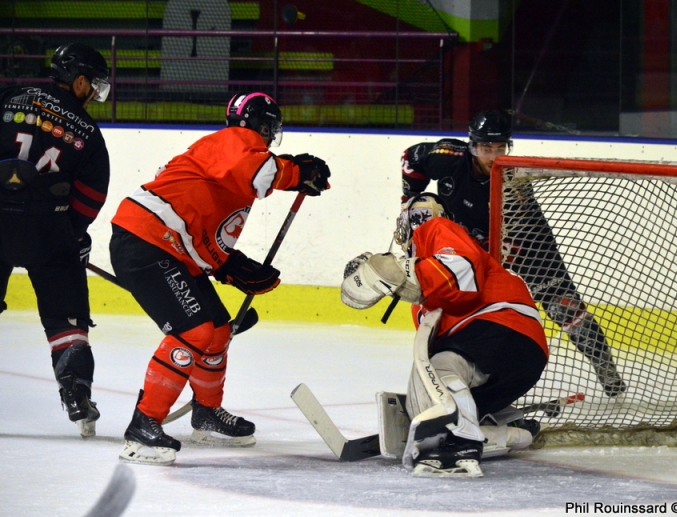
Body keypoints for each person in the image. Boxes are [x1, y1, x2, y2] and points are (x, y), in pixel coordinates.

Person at [110, 92, 330, 466]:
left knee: (216, 330)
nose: (270, 137)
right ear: (261, 126)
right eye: (270, 129)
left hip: (168, 246)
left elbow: (199, 225)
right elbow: (261, 172)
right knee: (194, 332)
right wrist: (298, 173)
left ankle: (207, 413)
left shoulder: (226, 162)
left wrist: (230, 267)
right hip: (147, 243)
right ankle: (143, 427)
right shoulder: (235, 141)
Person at [400, 110, 626, 397]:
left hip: (528, 243)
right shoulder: (447, 157)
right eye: (486, 148)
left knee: (565, 307)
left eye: (500, 148)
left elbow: (512, 239)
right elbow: (411, 158)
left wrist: (485, 259)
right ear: (472, 146)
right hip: (471, 242)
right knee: (459, 298)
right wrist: (408, 200)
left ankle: (607, 371)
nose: (494, 156)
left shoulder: (514, 185)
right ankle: (463, 371)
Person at [341, 193, 549, 477]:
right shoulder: (421, 301)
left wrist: (402, 271)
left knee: (441, 371)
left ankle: (462, 441)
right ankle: (505, 424)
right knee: (436, 380)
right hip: (521, 355)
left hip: (500, 325)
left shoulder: (437, 229)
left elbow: (462, 273)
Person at [0, 43, 112, 437]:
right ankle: (76, 393)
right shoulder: (88, 133)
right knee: (66, 315)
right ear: (79, 81)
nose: (94, 93)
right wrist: (72, 234)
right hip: (47, 231)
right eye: (93, 85)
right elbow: (91, 195)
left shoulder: (9, 98)